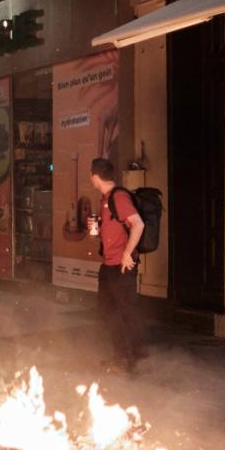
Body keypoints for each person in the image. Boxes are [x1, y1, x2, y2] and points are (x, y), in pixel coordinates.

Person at [91, 158, 147, 374]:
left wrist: (126, 254)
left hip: (121, 266)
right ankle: (127, 355)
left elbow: (138, 224)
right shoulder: (106, 198)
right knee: (109, 309)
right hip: (109, 265)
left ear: (95, 176)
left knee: (122, 311)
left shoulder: (119, 197)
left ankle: (127, 359)